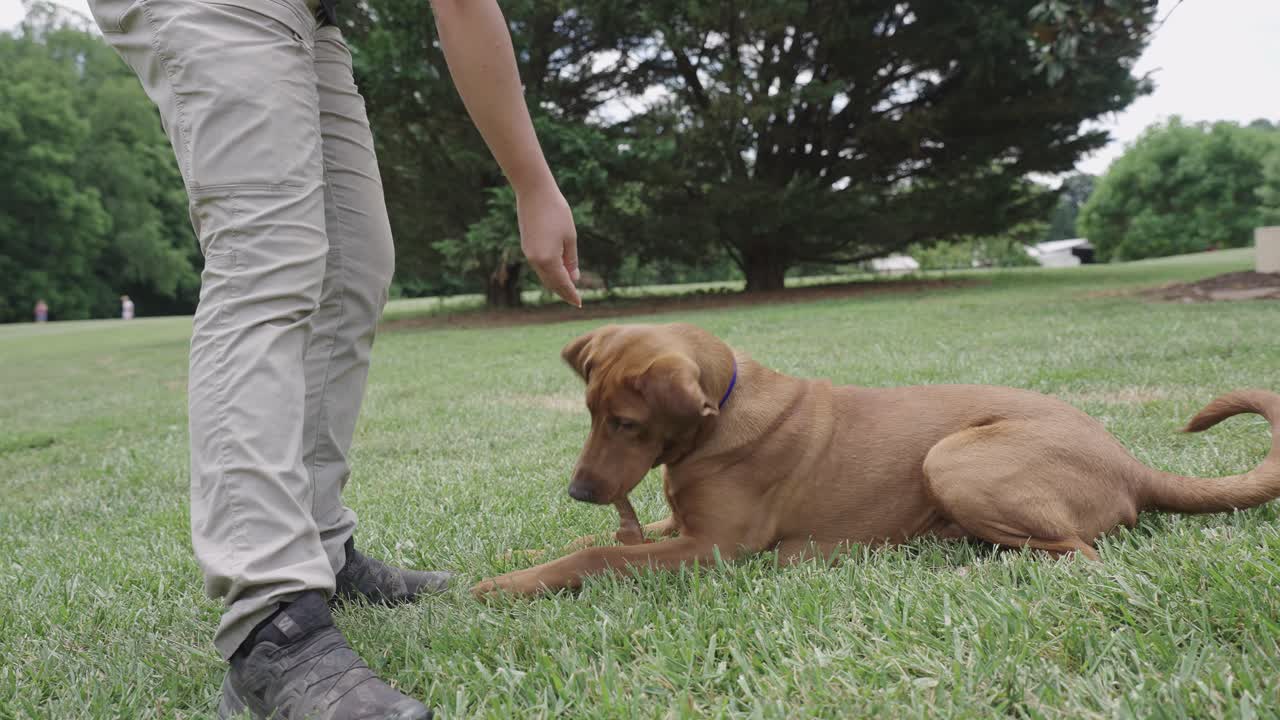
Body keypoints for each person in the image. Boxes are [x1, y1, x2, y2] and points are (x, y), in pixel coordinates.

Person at [84, 0, 581, 717]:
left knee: (352, 265)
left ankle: (316, 546)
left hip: (309, 16)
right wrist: (534, 184)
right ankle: (270, 624)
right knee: (268, 257)